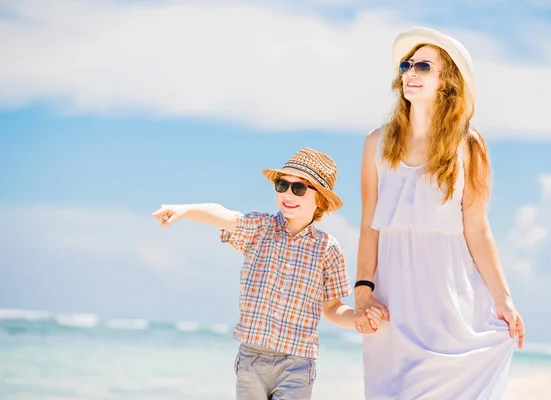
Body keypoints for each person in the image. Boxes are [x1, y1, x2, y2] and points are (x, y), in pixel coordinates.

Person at [352, 26, 525, 399]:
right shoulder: (375, 143)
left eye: (424, 66)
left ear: (447, 80)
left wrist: (503, 299)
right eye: (406, 64)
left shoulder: (469, 144)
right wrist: (363, 292)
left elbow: (477, 229)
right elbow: (369, 225)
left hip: (450, 300)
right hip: (394, 303)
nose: (410, 72)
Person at [151, 148, 384, 400]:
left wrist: (357, 319)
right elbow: (223, 215)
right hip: (251, 358)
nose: (287, 194)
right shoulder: (260, 229)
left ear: (321, 201)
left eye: (299, 188)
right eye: (282, 184)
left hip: (297, 363)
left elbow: (332, 308)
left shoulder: (328, 249)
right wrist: (184, 210)